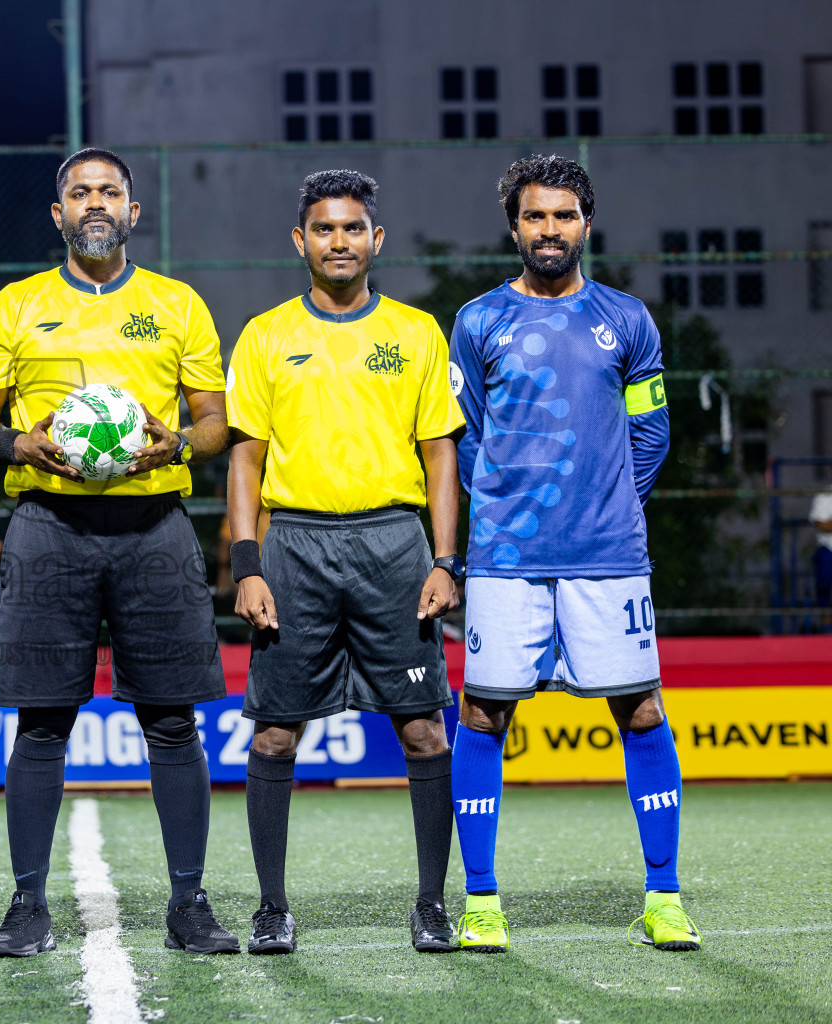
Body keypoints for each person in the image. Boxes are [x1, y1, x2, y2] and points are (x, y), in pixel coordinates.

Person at [0, 147, 236, 957]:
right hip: (48, 525)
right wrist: (18, 444)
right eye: (79, 192)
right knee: (41, 722)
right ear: (59, 214)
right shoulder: (16, 305)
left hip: (155, 527)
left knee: (172, 721)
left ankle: (189, 905)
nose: (94, 203)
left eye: (109, 192)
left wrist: (175, 443)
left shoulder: (177, 304)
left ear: (131, 211)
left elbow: (216, 424)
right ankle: (27, 908)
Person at [448, 155, 695, 953]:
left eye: (563, 215)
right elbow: (465, 440)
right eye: (534, 216)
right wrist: (507, 513)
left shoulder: (628, 319)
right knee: (483, 714)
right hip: (506, 559)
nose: (548, 230)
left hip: (608, 556)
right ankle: (482, 904)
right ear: (513, 227)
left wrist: (606, 504)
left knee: (643, 711)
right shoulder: (478, 320)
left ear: (586, 223)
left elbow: (651, 432)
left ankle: (664, 897)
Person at [226, 170, 466, 955]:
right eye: (325, 229)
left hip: (394, 547)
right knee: (274, 736)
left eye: (353, 228)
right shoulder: (265, 335)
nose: (340, 242)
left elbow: (440, 455)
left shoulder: (416, 332)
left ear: (376, 239)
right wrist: (247, 564)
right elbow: (245, 457)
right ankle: (271, 908)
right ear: (301, 241)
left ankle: (431, 905)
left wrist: (446, 561)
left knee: (423, 730)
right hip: (294, 547)